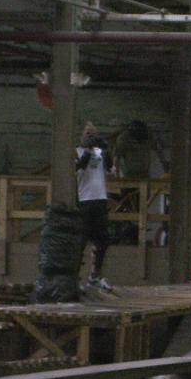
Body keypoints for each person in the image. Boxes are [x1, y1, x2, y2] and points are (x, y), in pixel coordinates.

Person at [75, 121, 114, 291]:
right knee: (81, 240)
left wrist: (106, 151)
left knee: (103, 240)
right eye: (88, 134)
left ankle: (95, 275)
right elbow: (78, 170)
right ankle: (75, 277)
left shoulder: (100, 153)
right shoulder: (77, 152)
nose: (91, 137)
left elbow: (110, 169)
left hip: (100, 199)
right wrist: (87, 151)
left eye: (94, 134)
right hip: (84, 200)